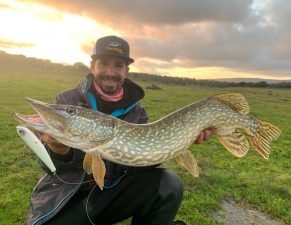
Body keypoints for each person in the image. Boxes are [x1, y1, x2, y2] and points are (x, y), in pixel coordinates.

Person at [24, 35, 214, 225]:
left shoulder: (138, 114)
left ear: (126, 72)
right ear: (93, 67)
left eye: (118, 66)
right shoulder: (66, 101)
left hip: (111, 194)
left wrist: (179, 141)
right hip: (66, 195)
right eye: (104, 63)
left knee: (169, 184)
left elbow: (140, 164)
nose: (110, 72)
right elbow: (48, 167)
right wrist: (59, 150)